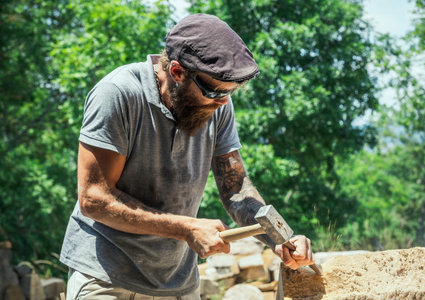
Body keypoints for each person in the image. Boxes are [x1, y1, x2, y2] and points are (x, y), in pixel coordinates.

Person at [60, 13, 315, 300]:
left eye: (232, 92)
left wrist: (279, 238)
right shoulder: (118, 94)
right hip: (107, 277)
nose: (223, 102)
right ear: (178, 72)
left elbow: (236, 188)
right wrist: (186, 228)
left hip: (176, 282)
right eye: (216, 90)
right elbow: (94, 199)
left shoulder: (218, 105)